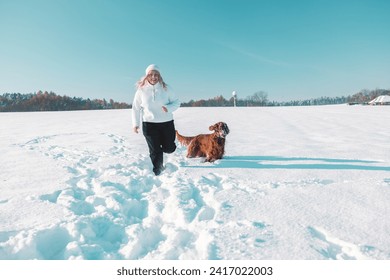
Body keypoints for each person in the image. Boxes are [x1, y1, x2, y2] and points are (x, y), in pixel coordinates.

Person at [132, 64, 180, 175]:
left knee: (169, 148)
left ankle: (165, 147)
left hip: (166, 123)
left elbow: (177, 102)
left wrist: (168, 108)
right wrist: (135, 124)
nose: (153, 77)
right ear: (146, 76)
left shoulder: (166, 88)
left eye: (156, 75)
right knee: (155, 150)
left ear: (159, 76)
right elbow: (135, 108)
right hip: (149, 124)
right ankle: (158, 170)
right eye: (151, 75)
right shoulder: (141, 90)